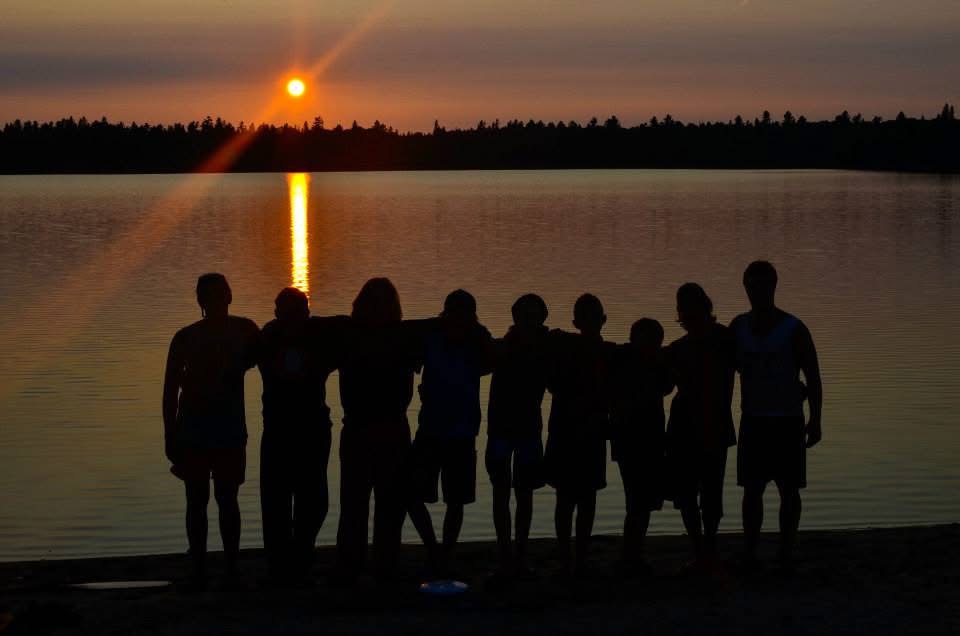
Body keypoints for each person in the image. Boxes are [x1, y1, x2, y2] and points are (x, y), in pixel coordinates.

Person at [162, 273, 259, 583]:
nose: (217, 301)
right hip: (195, 430)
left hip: (227, 429)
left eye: (220, 294)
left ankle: (229, 567)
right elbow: (170, 391)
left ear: (229, 297)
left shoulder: (245, 331)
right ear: (201, 301)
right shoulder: (185, 338)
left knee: (226, 499)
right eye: (211, 296)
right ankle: (201, 567)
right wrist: (170, 434)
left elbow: (271, 359)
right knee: (198, 500)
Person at [731, 260, 822, 569]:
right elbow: (722, 368)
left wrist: (815, 419)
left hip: (787, 420)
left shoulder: (793, 329)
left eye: (762, 286)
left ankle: (786, 551)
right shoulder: (738, 327)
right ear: (745, 288)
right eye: (752, 286)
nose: (756, 292)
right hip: (753, 419)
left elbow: (813, 376)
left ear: (773, 287)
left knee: (789, 490)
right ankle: (750, 551)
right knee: (751, 491)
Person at [334, 278, 420, 580]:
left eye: (383, 302)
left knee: (389, 504)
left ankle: (385, 564)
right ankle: (353, 566)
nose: (378, 308)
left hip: (391, 428)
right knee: (354, 504)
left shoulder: (403, 336)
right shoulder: (349, 335)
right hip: (359, 429)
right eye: (374, 302)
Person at [408, 289, 494, 574]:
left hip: (461, 431)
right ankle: (434, 548)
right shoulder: (430, 337)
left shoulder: (477, 342)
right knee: (412, 493)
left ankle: (444, 553)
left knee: (456, 500)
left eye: (463, 313)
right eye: (453, 312)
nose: (457, 318)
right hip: (431, 428)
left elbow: (492, 360)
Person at [257, 287, 340, 583]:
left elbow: (345, 326)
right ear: (277, 314)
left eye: (299, 312)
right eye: (287, 312)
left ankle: (301, 555)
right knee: (276, 501)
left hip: (312, 430)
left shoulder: (318, 336)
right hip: (279, 431)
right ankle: (280, 563)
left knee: (313, 500)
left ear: (307, 313)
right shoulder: (268, 338)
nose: (293, 318)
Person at [664, 283, 736, 571]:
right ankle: (702, 550)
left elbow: (753, 366)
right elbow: (664, 385)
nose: (688, 314)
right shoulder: (678, 349)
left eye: (692, 307)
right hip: (685, 426)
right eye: (685, 308)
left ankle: (707, 549)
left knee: (709, 493)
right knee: (688, 494)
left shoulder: (725, 340)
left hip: (712, 424)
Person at [543, 294, 615, 575]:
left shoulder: (607, 353)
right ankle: (567, 558)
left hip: (591, 432)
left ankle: (580, 557)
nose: (590, 323)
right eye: (586, 318)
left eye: (594, 318)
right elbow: (552, 382)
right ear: (577, 322)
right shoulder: (565, 348)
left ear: (602, 320)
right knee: (567, 498)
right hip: (566, 432)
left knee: (586, 499)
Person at [485, 293, 551, 579]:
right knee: (501, 492)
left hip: (528, 430)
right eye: (523, 315)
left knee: (524, 494)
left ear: (541, 319)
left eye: (533, 316)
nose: (527, 320)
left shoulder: (545, 349)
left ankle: (520, 556)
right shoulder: (502, 347)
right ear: (515, 317)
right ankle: (505, 556)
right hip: (501, 429)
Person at [609, 318, 673, 574]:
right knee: (637, 499)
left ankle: (634, 553)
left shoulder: (656, 364)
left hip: (650, 439)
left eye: (653, 341)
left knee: (643, 500)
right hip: (630, 439)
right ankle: (631, 555)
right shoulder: (623, 359)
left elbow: (667, 386)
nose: (649, 346)